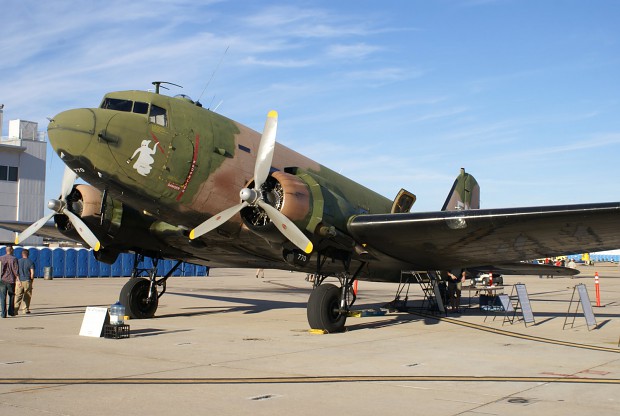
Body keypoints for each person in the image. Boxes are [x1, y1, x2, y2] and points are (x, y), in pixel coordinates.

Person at [0, 246, 20, 318]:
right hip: (11, 280)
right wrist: (18, 279)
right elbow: (16, 270)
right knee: (11, 296)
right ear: (11, 250)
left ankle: (3, 313)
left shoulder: (1, 258)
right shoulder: (14, 259)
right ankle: (11, 312)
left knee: (2, 297)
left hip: (2, 280)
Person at [15, 248, 35, 314]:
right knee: (27, 296)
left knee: (18, 296)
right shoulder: (30, 262)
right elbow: (32, 273)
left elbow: (16, 272)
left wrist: (18, 280)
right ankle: (25, 309)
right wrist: (31, 281)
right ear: (28, 254)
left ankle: (15, 310)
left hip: (19, 281)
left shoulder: (18, 261)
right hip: (27, 281)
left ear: (22, 254)